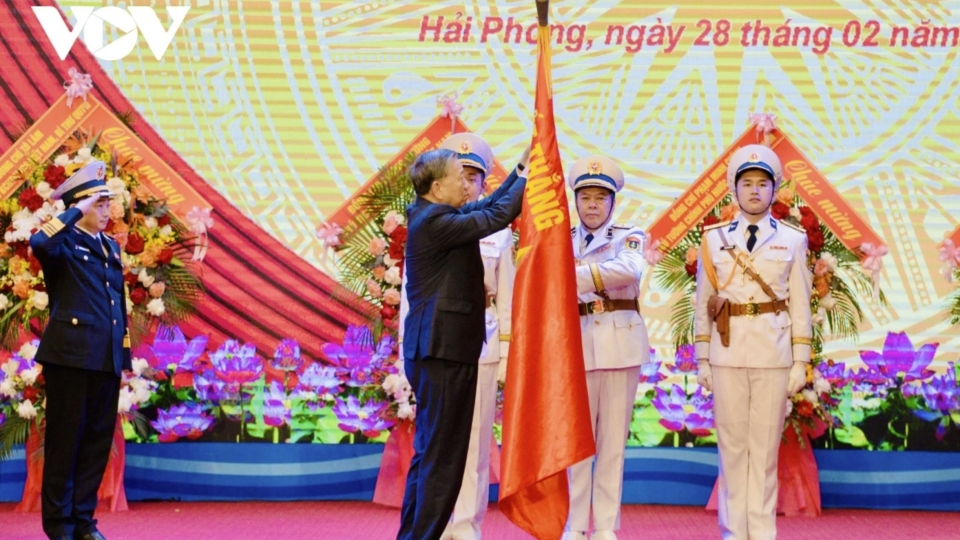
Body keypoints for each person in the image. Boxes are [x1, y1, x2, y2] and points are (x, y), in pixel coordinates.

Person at [397, 146, 527, 540]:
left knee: (432, 454)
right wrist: (530, 177)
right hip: (443, 350)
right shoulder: (435, 221)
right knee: (444, 458)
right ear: (438, 187)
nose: (467, 183)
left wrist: (522, 168)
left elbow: (487, 205)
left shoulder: (434, 213)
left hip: (438, 349)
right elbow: (498, 215)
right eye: (460, 176)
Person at [694, 144, 813, 540]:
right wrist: (702, 360)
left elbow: (800, 303)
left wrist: (800, 361)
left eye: (763, 184)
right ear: (734, 189)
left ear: (774, 189)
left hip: (773, 353)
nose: (755, 191)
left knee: (763, 452)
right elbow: (703, 303)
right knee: (731, 449)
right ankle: (733, 532)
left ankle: (761, 533)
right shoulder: (713, 240)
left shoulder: (793, 239)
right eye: (748, 184)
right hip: (726, 354)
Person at [30, 160, 131, 540]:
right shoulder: (64, 245)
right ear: (81, 206)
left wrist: (124, 355)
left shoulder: (110, 246)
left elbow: (115, 304)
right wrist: (75, 210)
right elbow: (40, 242)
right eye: (99, 204)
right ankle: (60, 526)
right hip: (70, 358)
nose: (107, 211)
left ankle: (85, 523)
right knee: (65, 443)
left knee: (94, 444)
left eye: (107, 204)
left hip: (105, 358)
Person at [562, 155, 651, 540]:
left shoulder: (630, 235)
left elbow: (628, 270)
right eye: (586, 197)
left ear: (613, 203)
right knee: (577, 445)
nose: (593, 205)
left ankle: (605, 527)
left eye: (601, 197)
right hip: (575, 348)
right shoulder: (560, 240)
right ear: (576, 201)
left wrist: (567, 273)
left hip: (619, 345)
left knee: (612, 443)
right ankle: (576, 524)